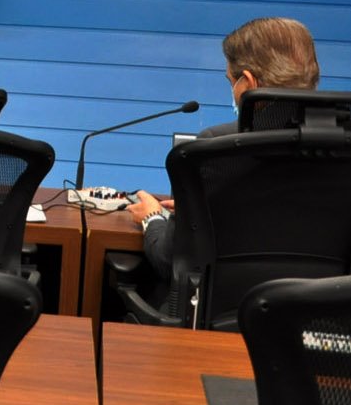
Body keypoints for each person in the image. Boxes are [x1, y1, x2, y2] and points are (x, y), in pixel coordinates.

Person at [125, 17, 322, 276]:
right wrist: (194, 208)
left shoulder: (219, 149)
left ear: (248, 83)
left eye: (231, 81)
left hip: (232, 301)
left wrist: (152, 218)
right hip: (328, 301)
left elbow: (168, 259)